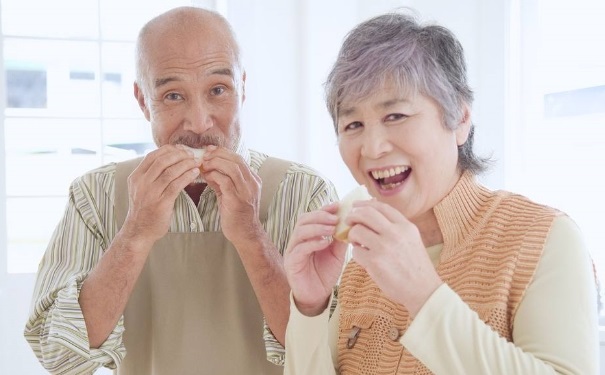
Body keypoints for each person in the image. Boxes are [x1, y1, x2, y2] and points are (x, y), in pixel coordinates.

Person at [24, 6, 338, 374]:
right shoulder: (94, 196)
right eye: (173, 96)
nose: (199, 122)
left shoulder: (305, 192)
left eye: (218, 90)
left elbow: (328, 354)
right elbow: (58, 356)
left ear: (243, 89)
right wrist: (135, 232)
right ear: (143, 101)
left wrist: (251, 236)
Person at [283, 11, 600, 375]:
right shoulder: (359, 269)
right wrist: (310, 307)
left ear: (461, 118)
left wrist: (423, 294)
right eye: (353, 124)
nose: (372, 148)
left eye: (395, 116)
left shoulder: (545, 238)